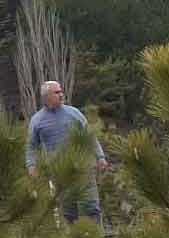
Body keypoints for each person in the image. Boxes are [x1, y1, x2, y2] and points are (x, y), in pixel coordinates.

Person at [25, 80, 108, 224]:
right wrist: (31, 165)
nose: (61, 94)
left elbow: (90, 135)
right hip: (59, 172)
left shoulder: (73, 113)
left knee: (91, 206)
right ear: (46, 96)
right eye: (57, 92)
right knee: (69, 211)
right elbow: (31, 146)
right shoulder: (37, 120)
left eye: (61, 91)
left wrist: (100, 156)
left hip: (82, 168)